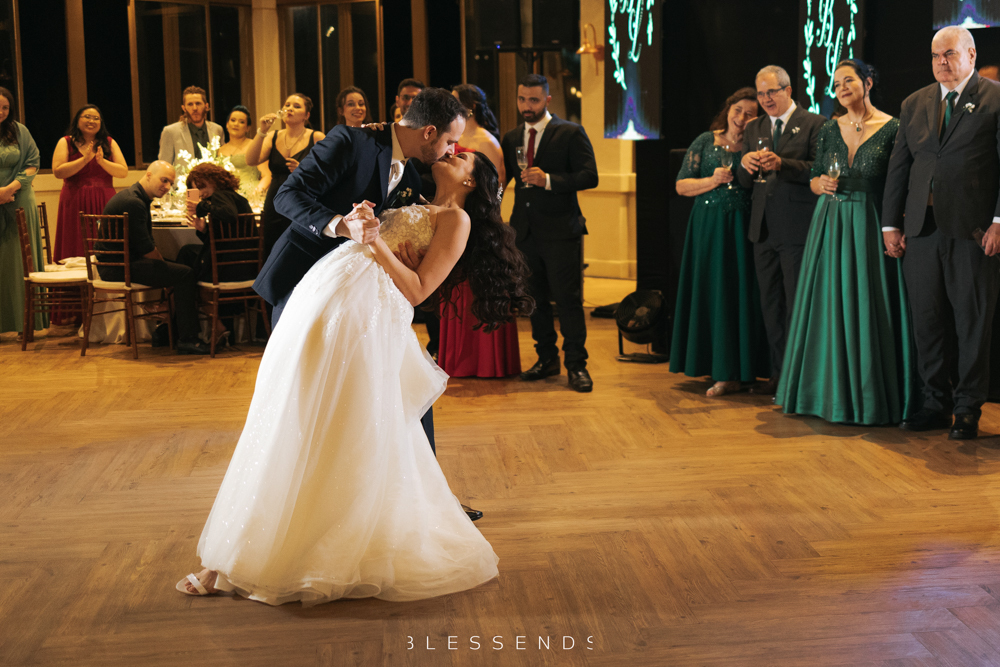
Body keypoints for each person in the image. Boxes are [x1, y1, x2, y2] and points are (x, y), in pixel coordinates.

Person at [177, 151, 532, 604]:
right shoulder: (414, 196)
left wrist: (375, 240)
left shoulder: (456, 219)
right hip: (327, 301)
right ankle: (254, 549)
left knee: (345, 424)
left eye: (462, 156)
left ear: (473, 181)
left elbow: (418, 289)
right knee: (293, 416)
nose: (450, 152)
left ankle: (317, 550)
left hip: (365, 322)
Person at [253, 88, 482, 520]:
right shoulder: (350, 141)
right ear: (428, 132)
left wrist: (404, 253)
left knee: (402, 385)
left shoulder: (414, 174)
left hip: (363, 299)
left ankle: (426, 499)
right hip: (304, 284)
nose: (452, 150)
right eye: (450, 141)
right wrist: (341, 225)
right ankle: (294, 503)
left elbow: (405, 231)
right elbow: (288, 196)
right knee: (303, 394)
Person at [775, 60, 917, 424]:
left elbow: (901, 182)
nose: (841, 87)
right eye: (836, 83)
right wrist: (818, 184)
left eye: (848, 80)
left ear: (868, 82)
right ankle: (825, 396)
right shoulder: (828, 128)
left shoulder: (893, 127)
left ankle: (871, 398)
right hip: (831, 221)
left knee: (869, 303)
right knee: (828, 304)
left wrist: (896, 225)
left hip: (870, 221)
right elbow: (815, 176)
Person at [883, 26, 1000, 440]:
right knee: (927, 321)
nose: (941, 62)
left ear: (971, 54)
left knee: (972, 322)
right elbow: (900, 167)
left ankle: (967, 408)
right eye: (935, 56)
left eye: (949, 54)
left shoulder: (995, 97)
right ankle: (935, 403)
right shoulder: (914, 102)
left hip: (973, 232)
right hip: (921, 231)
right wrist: (891, 224)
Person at [501, 74, 599, 392]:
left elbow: (590, 176)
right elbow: (503, 181)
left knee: (568, 302)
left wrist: (549, 180)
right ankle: (546, 359)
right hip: (525, 233)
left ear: (547, 99)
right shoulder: (512, 137)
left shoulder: (569, 132)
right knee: (535, 301)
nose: (526, 106)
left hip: (561, 231)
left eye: (533, 100)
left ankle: (577, 366)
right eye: (521, 99)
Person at [671, 87, 769, 396]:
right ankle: (720, 370)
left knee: (740, 295)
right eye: (737, 110)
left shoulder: (756, 146)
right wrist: (711, 181)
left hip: (743, 230)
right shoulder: (705, 140)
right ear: (728, 110)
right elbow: (681, 186)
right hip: (708, 228)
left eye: (749, 114)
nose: (741, 117)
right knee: (714, 292)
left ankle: (743, 372)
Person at [737, 65, 827, 396]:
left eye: (771, 92)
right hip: (762, 230)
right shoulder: (754, 127)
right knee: (770, 306)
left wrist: (782, 164)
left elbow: (819, 169)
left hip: (797, 229)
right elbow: (745, 182)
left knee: (796, 306)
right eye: (761, 94)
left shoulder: (815, 123)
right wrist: (744, 165)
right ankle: (777, 375)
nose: (765, 99)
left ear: (788, 90)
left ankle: (798, 380)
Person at [435, 83, 519, 377]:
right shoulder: (453, 137)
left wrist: (483, 218)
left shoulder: (486, 140)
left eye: (454, 102)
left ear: (469, 108)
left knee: (478, 288)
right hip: (455, 216)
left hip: (479, 224)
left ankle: (485, 360)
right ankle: (456, 357)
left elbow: (495, 187)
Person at [97, 162, 209, 355]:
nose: (167, 187)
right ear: (149, 175)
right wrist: (166, 269)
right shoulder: (134, 202)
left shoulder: (135, 197)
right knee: (185, 274)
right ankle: (187, 339)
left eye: (170, 183)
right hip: (118, 268)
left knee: (181, 265)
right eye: (163, 180)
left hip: (118, 263)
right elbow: (147, 249)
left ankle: (166, 332)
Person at [244, 93, 325, 261]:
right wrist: (262, 131)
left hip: (302, 200)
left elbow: (328, 173)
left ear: (306, 115)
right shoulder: (273, 136)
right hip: (275, 200)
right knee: (272, 247)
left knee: (299, 250)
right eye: (287, 105)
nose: (290, 109)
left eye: (296, 106)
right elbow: (251, 160)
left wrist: (303, 171)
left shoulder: (316, 137)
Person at [52, 105, 128, 262]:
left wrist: (102, 162)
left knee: (105, 242)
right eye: (87, 117)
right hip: (74, 199)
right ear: (77, 120)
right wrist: (85, 160)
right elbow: (58, 172)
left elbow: (123, 172)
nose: (91, 121)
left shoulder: (109, 142)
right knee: (75, 241)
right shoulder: (65, 142)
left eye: (96, 118)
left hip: (104, 199)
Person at [0, 87, 45, 336]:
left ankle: (24, 323)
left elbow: (32, 163)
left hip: (19, 197)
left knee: (19, 261)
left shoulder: (20, 131)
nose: (1, 111)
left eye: (5, 107)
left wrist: (10, 188)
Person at [157, 86, 224, 165]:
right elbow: (164, 165)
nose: (195, 108)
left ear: (206, 106)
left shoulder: (217, 129)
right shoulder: (170, 132)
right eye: (190, 104)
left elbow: (221, 161)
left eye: (198, 103)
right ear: (184, 108)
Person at [218, 105, 270, 202]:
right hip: (227, 198)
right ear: (227, 124)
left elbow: (267, 175)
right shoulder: (220, 150)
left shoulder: (255, 146)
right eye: (233, 120)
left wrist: (256, 194)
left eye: (241, 122)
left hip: (251, 196)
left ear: (247, 128)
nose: (236, 124)